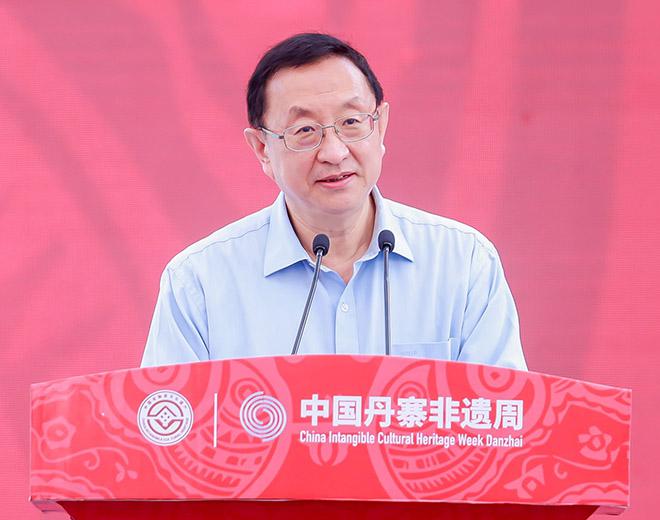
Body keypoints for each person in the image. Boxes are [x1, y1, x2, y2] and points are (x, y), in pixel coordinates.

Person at [141, 33, 527, 370]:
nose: (334, 152)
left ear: (381, 126)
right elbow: (168, 424)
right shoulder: (200, 283)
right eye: (305, 130)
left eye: (351, 122)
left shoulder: (462, 263)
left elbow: (504, 417)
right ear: (261, 148)